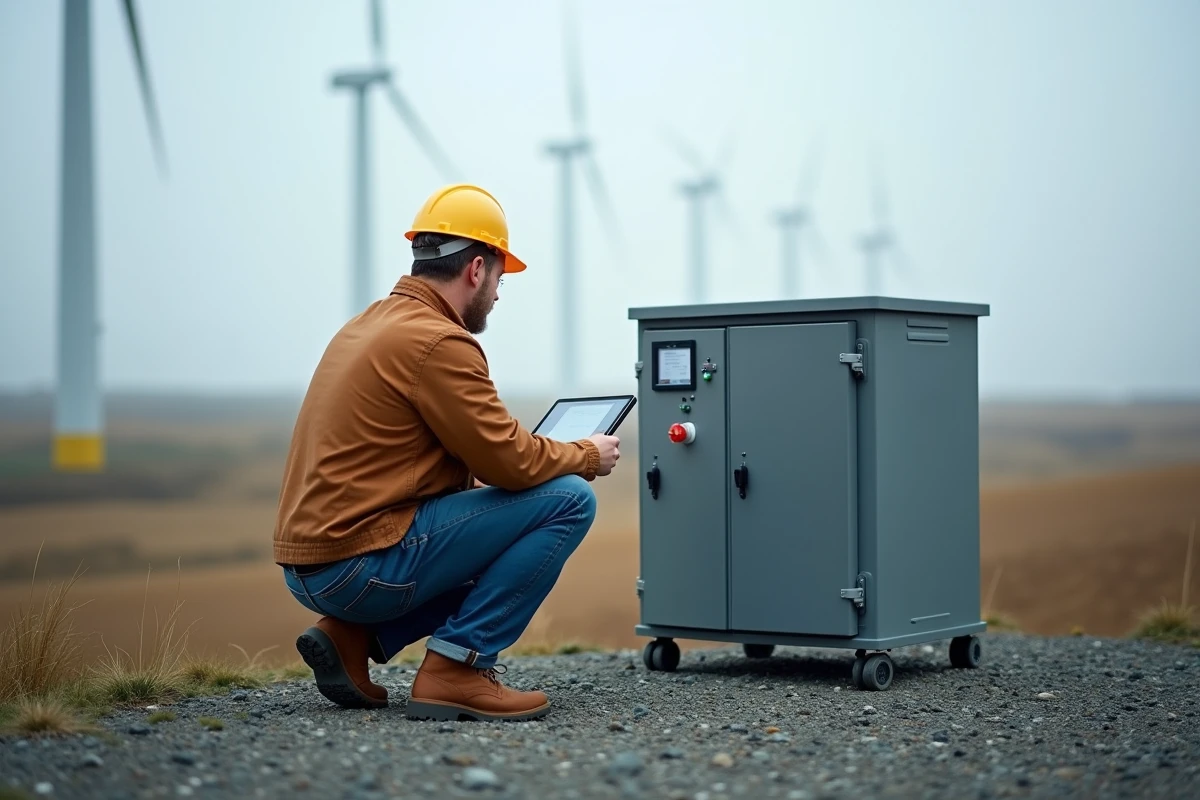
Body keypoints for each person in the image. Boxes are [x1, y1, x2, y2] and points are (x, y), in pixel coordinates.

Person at [273, 184, 622, 722]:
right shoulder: (439, 341)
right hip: (359, 566)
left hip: (311, 569)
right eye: (502, 278)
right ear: (477, 270)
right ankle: (457, 669)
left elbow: (436, 463)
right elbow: (510, 461)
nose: (500, 295)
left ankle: (350, 638)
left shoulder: (367, 325)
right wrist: (585, 453)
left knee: (504, 518)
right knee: (569, 500)